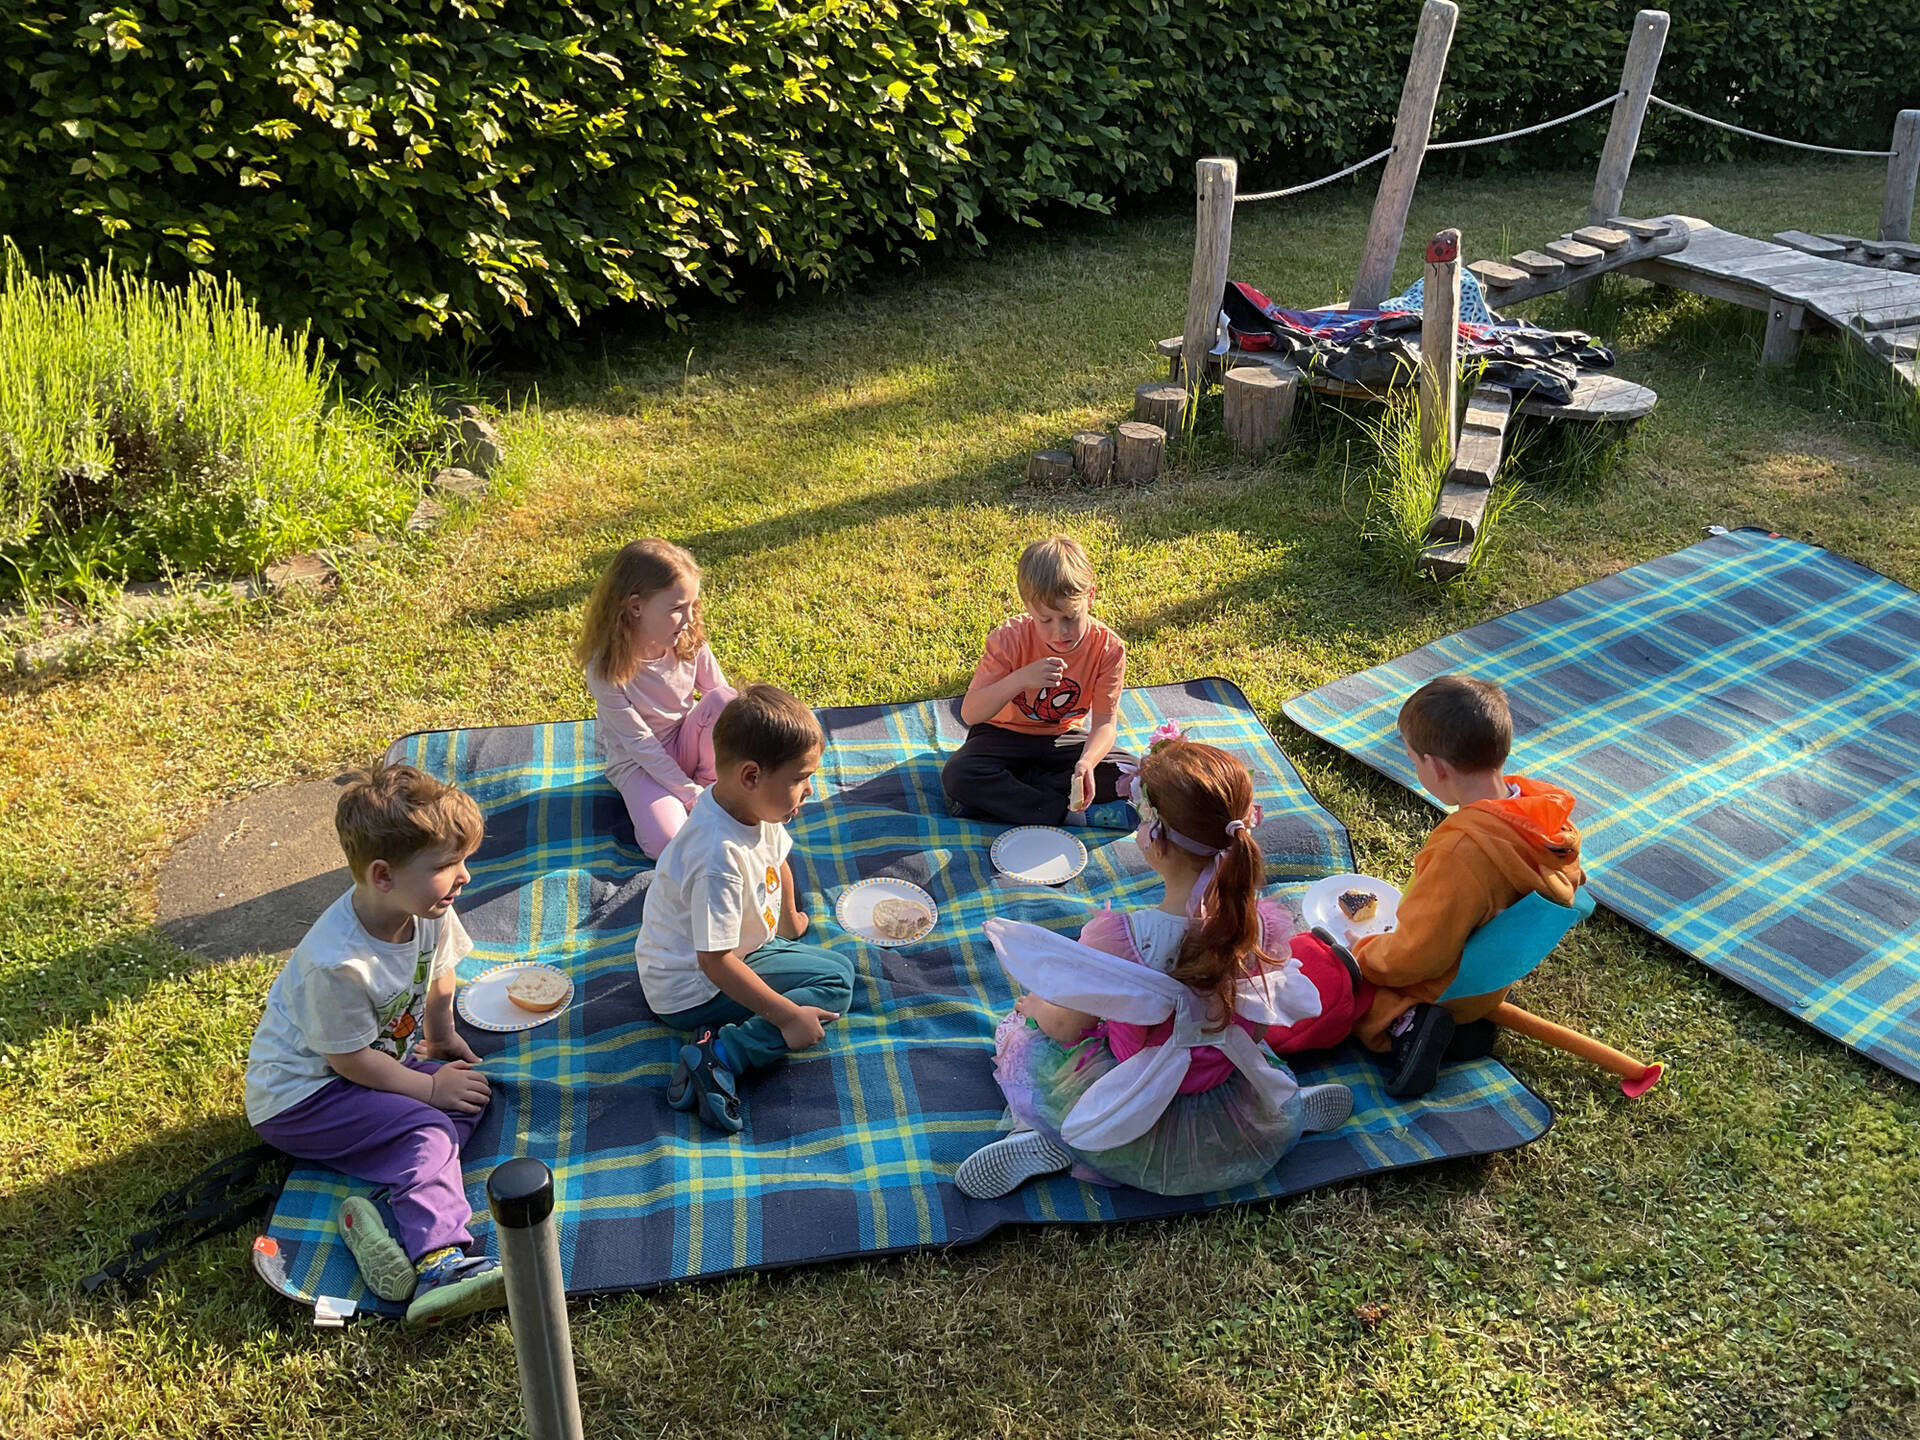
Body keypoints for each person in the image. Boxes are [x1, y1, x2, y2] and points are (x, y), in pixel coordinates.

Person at [956, 735, 1354, 1199]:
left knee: (1032, 1040)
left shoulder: (1120, 940)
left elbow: (1067, 1025)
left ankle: (1054, 1137)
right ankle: (1279, 1110)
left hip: (1133, 1098)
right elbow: (1258, 1028)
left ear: (1155, 839)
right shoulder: (1258, 926)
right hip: (1222, 1084)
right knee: (1242, 1060)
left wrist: (1036, 1008)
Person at [246, 764, 505, 1325]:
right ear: (383, 876)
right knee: (433, 1125)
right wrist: (428, 1089)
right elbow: (349, 1060)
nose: (464, 877)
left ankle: (385, 1222)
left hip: (368, 1070)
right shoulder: (336, 962)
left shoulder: (427, 908)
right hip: (302, 1098)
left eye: (463, 860)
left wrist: (441, 1038)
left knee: (469, 1104)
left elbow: (441, 973)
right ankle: (440, 1263)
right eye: (446, 865)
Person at [1349, 674, 1587, 1098]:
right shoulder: (1548, 821)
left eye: (1413, 760)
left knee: (1346, 992)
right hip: (1487, 983)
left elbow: (1416, 955)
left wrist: (1363, 953)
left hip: (1446, 988)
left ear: (1436, 767)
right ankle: (1462, 1033)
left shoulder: (1461, 852)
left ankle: (1409, 1027)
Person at [635, 684, 855, 1134]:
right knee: (833, 986)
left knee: (836, 971)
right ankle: (724, 1054)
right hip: (691, 990)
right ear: (751, 776)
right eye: (800, 778)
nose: (810, 789)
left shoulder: (750, 809)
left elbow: (777, 859)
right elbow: (713, 962)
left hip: (731, 954)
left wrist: (790, 920)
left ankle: (726, 1045)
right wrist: (786, 1016)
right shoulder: (718, 857)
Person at [941, 534, 1136, 828]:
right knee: (959, 774)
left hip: (1062, 737)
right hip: (1001, 736)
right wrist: (1020, 679)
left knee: (1131, 773)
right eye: (1045, 620)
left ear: (1090, 596)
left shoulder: (1108, 647)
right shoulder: (1009, 639)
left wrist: (1087, 764)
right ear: (1028, 608)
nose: (1060, 632)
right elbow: (970, 713)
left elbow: (1105, 724)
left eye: (1071, 617)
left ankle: (1007, 796)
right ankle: (1069, 813)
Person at [575, 537, 737, 859]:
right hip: (639, 764)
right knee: (665, 842)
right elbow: (640, 744)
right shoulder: (606, 668)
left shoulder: (686, 639)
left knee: (726, 701)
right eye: (678, 609)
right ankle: (697, 798)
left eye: (692, 605)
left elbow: (722, 702)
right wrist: (690, 794)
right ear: (635, 607)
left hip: (686, 742)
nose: (690, 618)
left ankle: (710, 784)